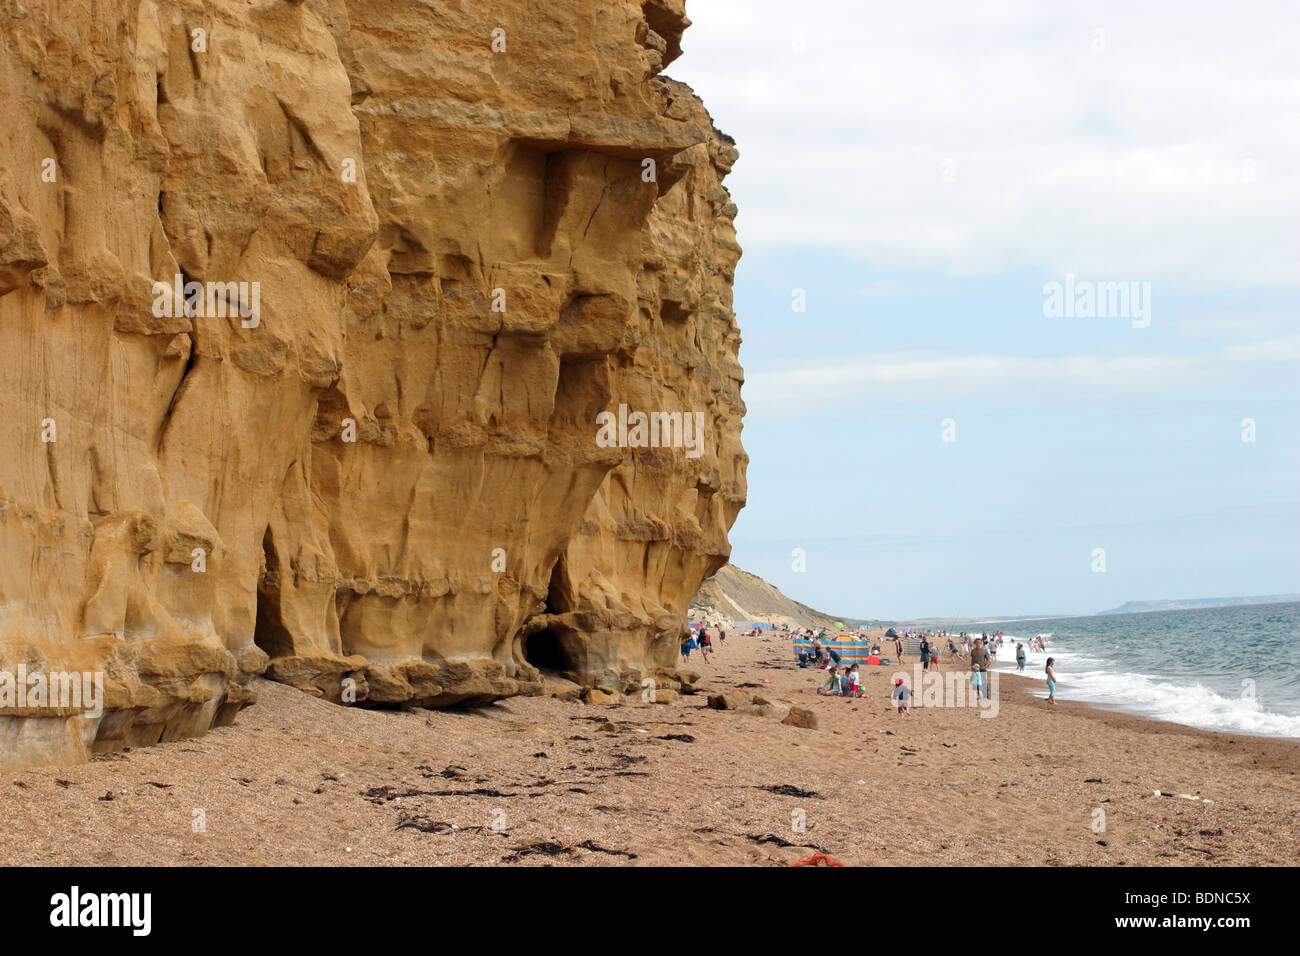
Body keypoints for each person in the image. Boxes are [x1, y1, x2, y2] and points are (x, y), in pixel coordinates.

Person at [969, 637, 989, 702]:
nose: (978, 643)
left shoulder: (984, 650)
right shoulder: (973, 651)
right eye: (977, 642)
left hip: (982, 668)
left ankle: (986, 696)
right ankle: (979, 696)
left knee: (984, 682)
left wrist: (986, 666)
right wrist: (971, 667)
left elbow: (988, 659)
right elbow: (972, 659)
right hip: (975, 669)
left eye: (979, 642)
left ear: (981, 643)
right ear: (975, 643)